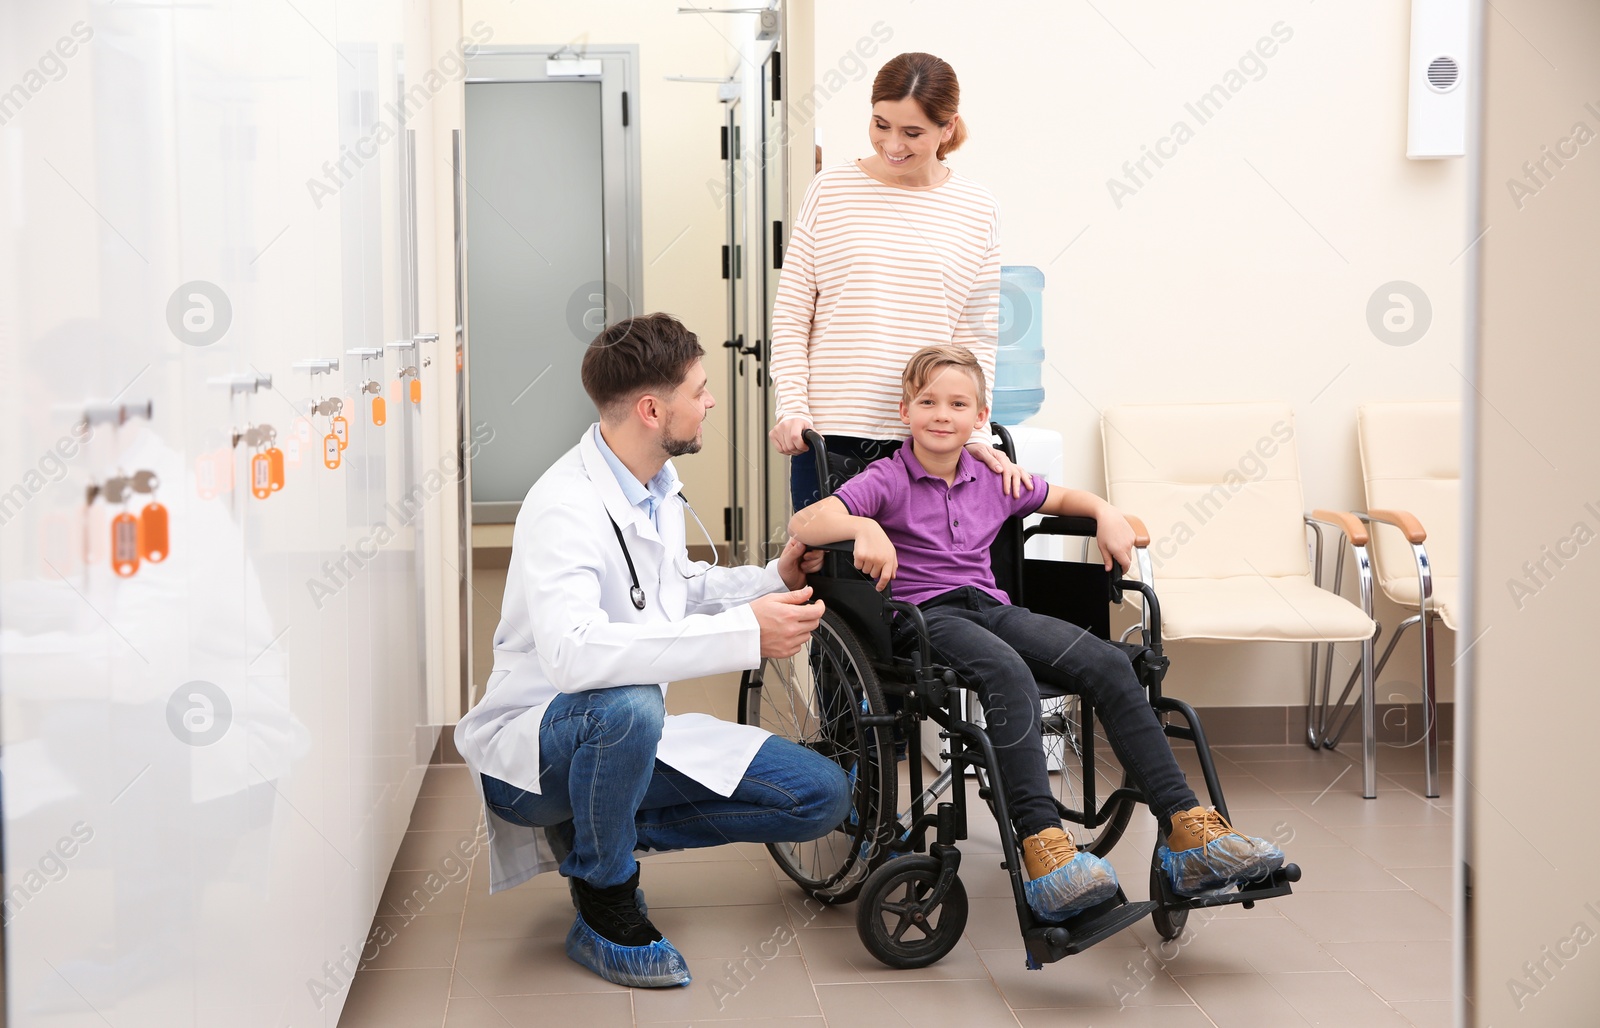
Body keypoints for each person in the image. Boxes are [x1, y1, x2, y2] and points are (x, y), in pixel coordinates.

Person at [788, 345, 1286, 920]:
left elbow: (1062, 497)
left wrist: (1105, 512)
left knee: (1107, 662)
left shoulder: (993, 476)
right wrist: (859, 526)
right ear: (906, 411)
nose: (941, 414)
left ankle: (1188, 831)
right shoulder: (887, 478)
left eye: (957, 403)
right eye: (927, 402)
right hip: (926, 620)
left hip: (993, 609)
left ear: (979, 417)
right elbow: (807, 521)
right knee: (1007, 673)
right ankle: (1045, 852)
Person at [454, 313, 851, 989]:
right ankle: (606, 897)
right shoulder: (565, 506)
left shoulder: (652, 485)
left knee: (820, 797)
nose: (711, 401)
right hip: (536, 748)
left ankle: (593, 827)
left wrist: (771, 580)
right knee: (629, 706)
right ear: (650, 409)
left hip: (626, 738)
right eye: (699, 389)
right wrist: (745, 634)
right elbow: (574, 658)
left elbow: (675, 588)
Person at [769, 51, 1031, 509]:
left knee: (928, 580)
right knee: (832, 577)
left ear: (947, 128)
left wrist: (976, 434)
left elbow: (975, 334)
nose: (892, 144)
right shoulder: (830, 190)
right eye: (880, 124)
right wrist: (792, 407)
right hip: (831, 435)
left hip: (931, 437)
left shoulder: (978, 208)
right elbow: (792, 313)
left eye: (912, 132)